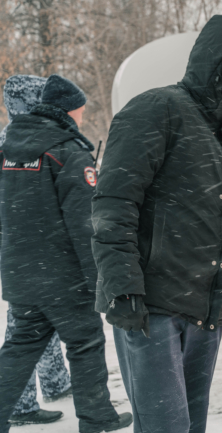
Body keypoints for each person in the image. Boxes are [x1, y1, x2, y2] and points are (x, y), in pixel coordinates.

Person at [92, 14, 222, 433]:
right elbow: (113, 205)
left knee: (191, 427)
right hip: (151, 307)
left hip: (206, 308)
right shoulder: (156, 110)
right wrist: (123, 288)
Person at [0, 74, 132, 433]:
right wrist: (99, 280)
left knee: (19, 349)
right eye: (81, 111)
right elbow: (85, 225)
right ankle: (97, 418)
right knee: (86, 343)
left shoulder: (9, 149)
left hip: (21, 274)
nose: (83, 118)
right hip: (62, 279)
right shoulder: (68, 152)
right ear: (68, 111)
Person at [0, 74, 73, 427]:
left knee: (44, 318)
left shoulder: (16, 138)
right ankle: (20, 405)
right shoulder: (20, 143)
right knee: (24, 330)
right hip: (26, 250)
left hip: (29, 248)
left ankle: (56, 382)